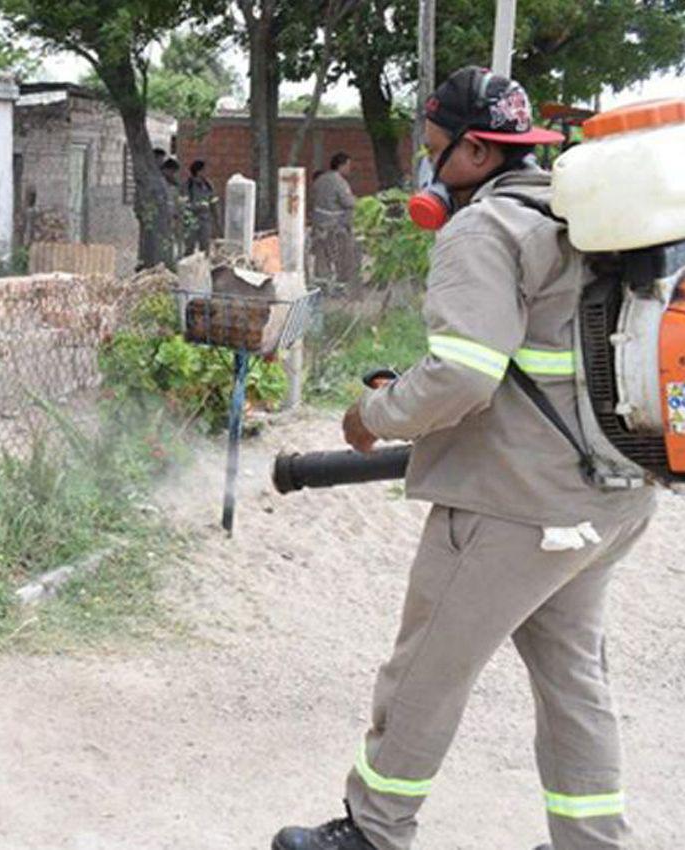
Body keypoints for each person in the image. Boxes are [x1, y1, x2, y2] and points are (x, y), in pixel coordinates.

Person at [271, 66, 656, 850]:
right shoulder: (582, 218)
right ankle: (594, 845)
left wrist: (374, 415)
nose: (429, 163)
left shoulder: (485, 229)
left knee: (425, 676)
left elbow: (465, 375)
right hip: (609, 495)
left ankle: (374, 832)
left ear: (478, 152)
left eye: (437, 148)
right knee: (575, 684)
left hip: (513, 507)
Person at [312, 152, 360, 288]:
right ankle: (342, 284)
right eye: (348, 165)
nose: (350, 169)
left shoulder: (320, 180)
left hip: (318, 224)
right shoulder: (339, 182)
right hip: (336, 226)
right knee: (343, 255)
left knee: (321, 256)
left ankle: (321, 283)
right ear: (341, 165)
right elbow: (348, 202)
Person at [184, 160, 218, 254]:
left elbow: (213, 203)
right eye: (204, 170)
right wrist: (198, 206)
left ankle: (204, 267)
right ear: (198, 171)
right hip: (191, 222)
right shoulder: (188, 186)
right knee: (189, 247)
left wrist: (216, 223)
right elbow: (184, 205)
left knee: (205, 248)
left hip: (205, 221)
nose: (206, 172)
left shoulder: (208, 185)